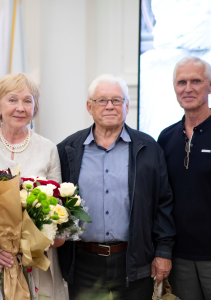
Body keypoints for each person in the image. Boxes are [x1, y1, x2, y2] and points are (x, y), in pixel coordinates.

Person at [57, 74, 176, 300]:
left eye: (117, 100)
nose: (109, 106)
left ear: (127, 106)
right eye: (102, 100)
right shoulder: (67, 149)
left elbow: (163, 203)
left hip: (133, 261)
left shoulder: (149, 148)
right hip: (83, 262)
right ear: (89, 107)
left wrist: (163, 251)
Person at [0, 73, 68, 300]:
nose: (20, 107)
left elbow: (59, 210)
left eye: (28, 101)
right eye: (12, 100)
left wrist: (32, 244)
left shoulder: (48, 149)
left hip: (35, 262)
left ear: (34, 108)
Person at [158, 56, 211, 300]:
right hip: (178, 258)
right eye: (181, 82)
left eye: (196, 81)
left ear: (209, 86)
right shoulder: (166, 138)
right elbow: (160, 199)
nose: (188, 88)